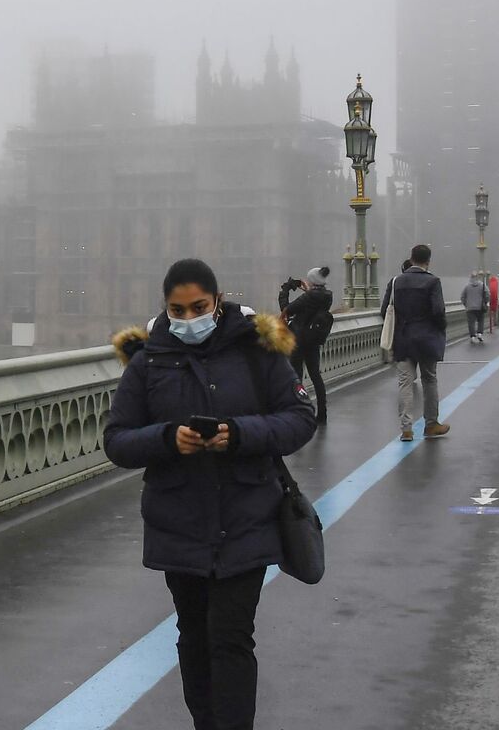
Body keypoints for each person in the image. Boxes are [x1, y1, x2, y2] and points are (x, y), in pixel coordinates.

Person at [106, 258, 317, 730]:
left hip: (247, 515)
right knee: (194, 638)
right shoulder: (148, 361)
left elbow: (300, 418)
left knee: (231, 637)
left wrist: (237, 434)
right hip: (178, 520)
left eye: (197, 307)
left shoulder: (256, 350)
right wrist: (166, 439)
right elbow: (117, 440)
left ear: (217, 301)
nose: (187, 319)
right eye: (177, 311)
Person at [381, 244, 452, 442]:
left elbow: (384, 310)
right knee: (429, 380)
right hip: (427, 339)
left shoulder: (396, 282)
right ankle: (431, 425)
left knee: (405, 382)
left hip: (403, 339)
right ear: (428, 261)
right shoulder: (433, 282)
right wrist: (439, 328)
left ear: (411, 259)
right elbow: (438, 311)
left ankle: (406, 429)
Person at [279, 266, 334, 426]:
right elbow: (311, 305)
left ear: (313, 281)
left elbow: (286, 309)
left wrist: (285, 290)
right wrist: (307, 290)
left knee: (296, 376)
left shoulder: (310, 296)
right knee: (315, 376)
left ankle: (300, 411)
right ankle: (322, 413)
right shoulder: (326, 295)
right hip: (313, 340)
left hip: (299, 339)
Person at [461, 273, 490, 344]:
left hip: (470, 308)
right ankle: (479, 333)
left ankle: (472, 336)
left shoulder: (467, 286)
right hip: (480, 307)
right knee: (480, 321)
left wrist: (466, 304)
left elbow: (462, 297)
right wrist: (485, 302)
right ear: (478, 278)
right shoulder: (482, 285)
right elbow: (487, 294)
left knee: (471, 323)